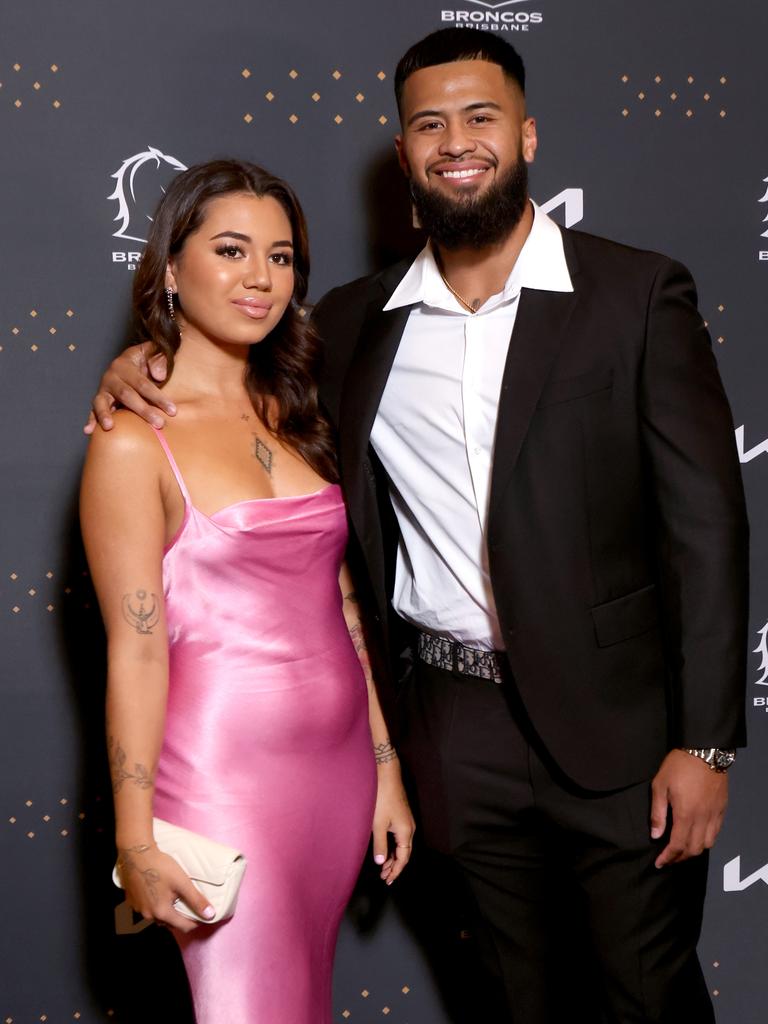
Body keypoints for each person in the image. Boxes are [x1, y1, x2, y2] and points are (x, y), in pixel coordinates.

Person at [87, 30, 748, 1024]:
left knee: (647, 996)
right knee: (504, 1001)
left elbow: (708, 529)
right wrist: (131, 367)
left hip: (619, 733)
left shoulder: (637, 296)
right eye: (428, 123)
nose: (455, 141)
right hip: (449, 730)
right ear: (403, 154)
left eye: (480, 116)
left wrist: (706, 741)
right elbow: (218, 396)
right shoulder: (353, 327)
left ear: (526, 135)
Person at [80, 159, 414, 1024]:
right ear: (168, 268)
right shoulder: (132, 441)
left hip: (334, 777)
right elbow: (136, 648)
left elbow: (343, 609)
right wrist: (134, 836)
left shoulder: (298, 405)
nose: (260, 278)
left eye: (282, 256)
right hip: (222, 777)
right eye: (231, 251)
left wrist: (385, 772)